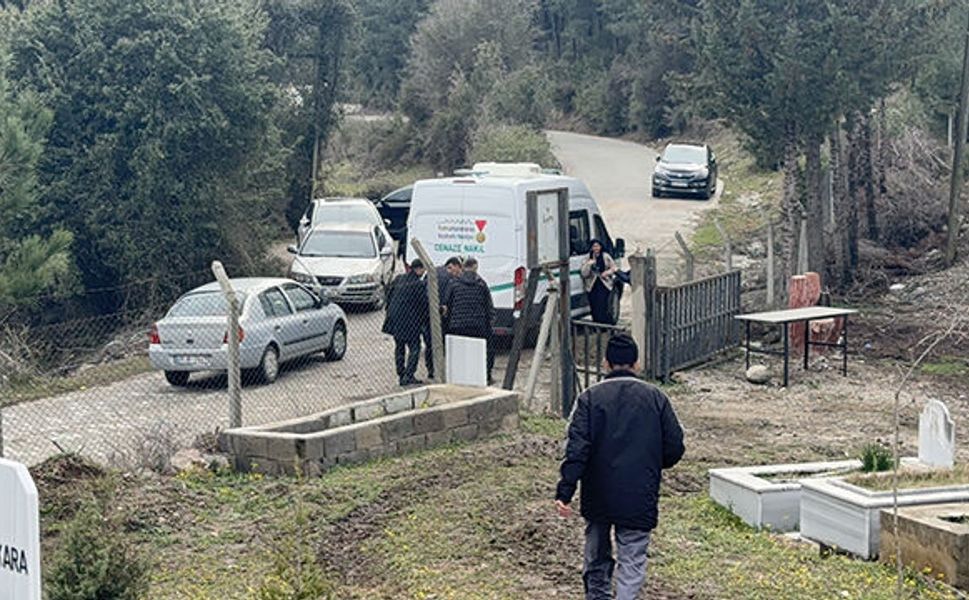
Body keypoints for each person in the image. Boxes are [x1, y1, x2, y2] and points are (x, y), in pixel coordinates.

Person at [555, 334, 685, 600]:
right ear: (636, 364)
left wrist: (565, 491)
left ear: (605, 363)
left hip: (598, 493)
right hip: (640, 493)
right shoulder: (657, 398)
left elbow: (576, 450)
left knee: (596, 555)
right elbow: (675, 447)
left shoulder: (589, 399)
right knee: (633, 559)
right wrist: (650, 464)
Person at [443, 255, 495, 383]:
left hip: (457, 324)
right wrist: (489, 323)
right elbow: (488, 306)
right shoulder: (481, 284)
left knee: (458, 353)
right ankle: (482, 376)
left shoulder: (454, 283)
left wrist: (448, 322)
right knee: (479, 353)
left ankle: (458, 378)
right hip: (478, 324)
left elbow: (446, 304)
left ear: (463, 267)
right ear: (475, 267)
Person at [382, 259, 429, 386]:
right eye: (423, 269)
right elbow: (424, 305)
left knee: (399, 347)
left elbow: (389, 295)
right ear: (418, 269)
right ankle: (409, 375)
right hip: (410, 322)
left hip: (395, 320)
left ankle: (401, 373)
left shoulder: (399, 279)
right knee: (415, 348)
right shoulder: (418, 284)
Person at [580, 239, 618, 324]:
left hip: (604, 283)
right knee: (594, 305)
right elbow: (584, 273)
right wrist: (589, 264)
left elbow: (614, 268)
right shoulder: (587, 257)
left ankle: (605, 324)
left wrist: (606, 273)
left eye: (597, 246)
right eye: (594, 246)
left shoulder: (605, 256)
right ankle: (596, 324)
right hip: (592, 284)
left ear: (600, 247)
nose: (596, 248)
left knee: (603, 304)